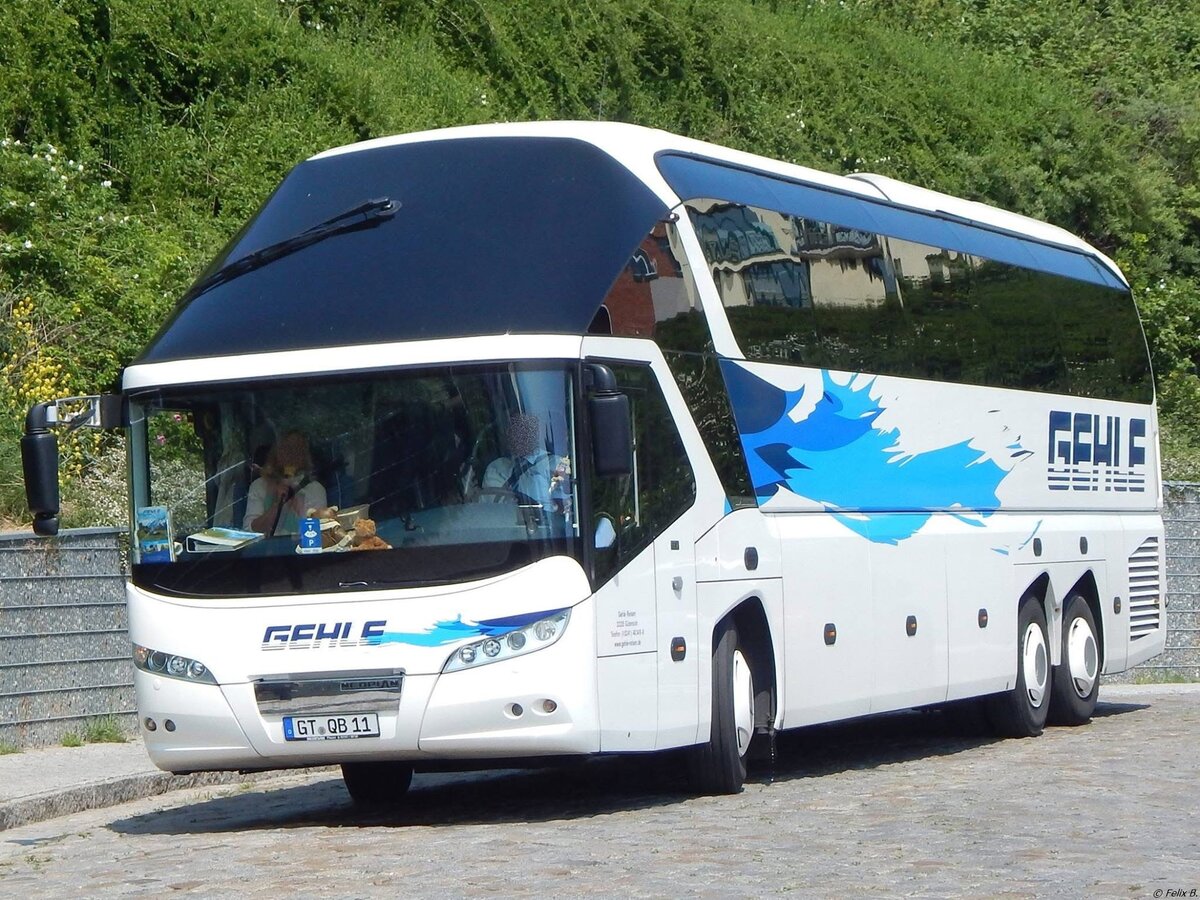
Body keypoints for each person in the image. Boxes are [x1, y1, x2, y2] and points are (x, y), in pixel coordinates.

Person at [243, 431, 327, 535]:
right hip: (267, 545)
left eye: (297, 450)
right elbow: (249, 531)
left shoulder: (315, 489)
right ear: (276, 453)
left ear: (304, 456)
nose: (291, 455)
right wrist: (277, 504)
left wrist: (297, 505)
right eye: (286, 449)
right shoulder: (259, 486)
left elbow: (316, 535)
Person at [482, 413, 554, 506]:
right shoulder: (496, 468)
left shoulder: (555, 464)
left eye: (526, 428)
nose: (519, 434)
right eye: (514, 427)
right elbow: (492, 507)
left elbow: (562, 505)